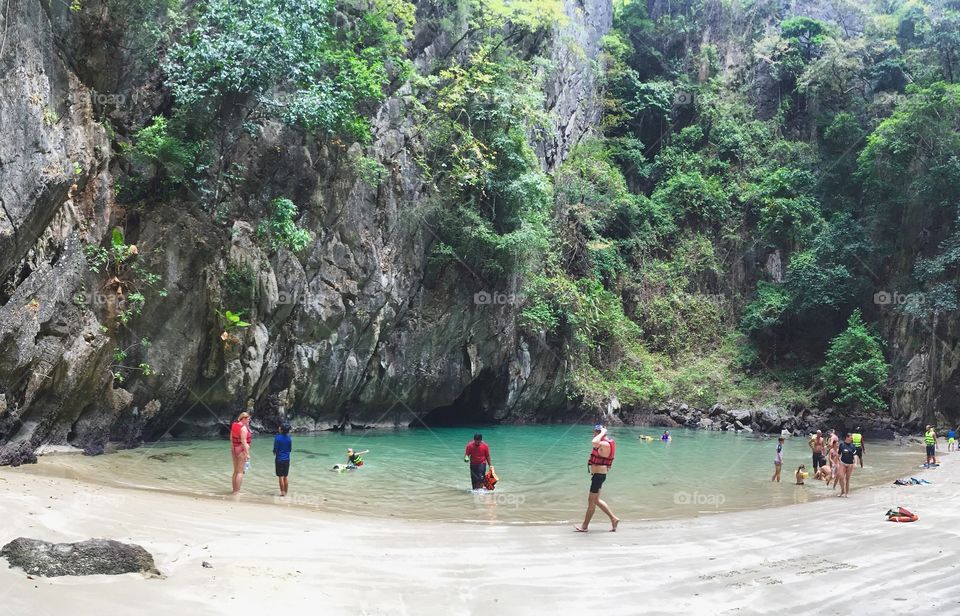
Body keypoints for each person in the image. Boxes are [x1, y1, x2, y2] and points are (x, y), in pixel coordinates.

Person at [575, 424, 619, 532]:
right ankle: (613, 519)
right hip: (598, 475)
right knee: (595, 500)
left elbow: (594, 442)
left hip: (598, 476)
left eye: (594, 432)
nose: (593, 434)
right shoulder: (603, 443)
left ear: (599, 433)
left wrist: (603, 432)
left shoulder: (605, 444)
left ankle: (585, 526)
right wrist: (601, 433)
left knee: (593, 501)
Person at [230, 412, 252, 495]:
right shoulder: (243, 428)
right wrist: (247, 454)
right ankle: (237, 492)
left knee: (235, 471)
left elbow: (231, 438)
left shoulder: (234, 425)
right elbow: (244, 442)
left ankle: (234, 490)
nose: (249, 420)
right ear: (244, 418)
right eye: (248, 419)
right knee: (240, 472)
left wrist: (232, 449)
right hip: (241, 451)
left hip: (234, 449)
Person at [273, 424, 292, 496]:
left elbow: (275, 450)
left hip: (279, 459)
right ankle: (286, 492)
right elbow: (290, 449)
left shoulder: (277, 438)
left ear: (281, 429)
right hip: (287, 459)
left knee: (280, 476)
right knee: (285, 476)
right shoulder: (289, 438)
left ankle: (282, 493)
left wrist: (274, 452)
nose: (279, 427)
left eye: (280, 427)